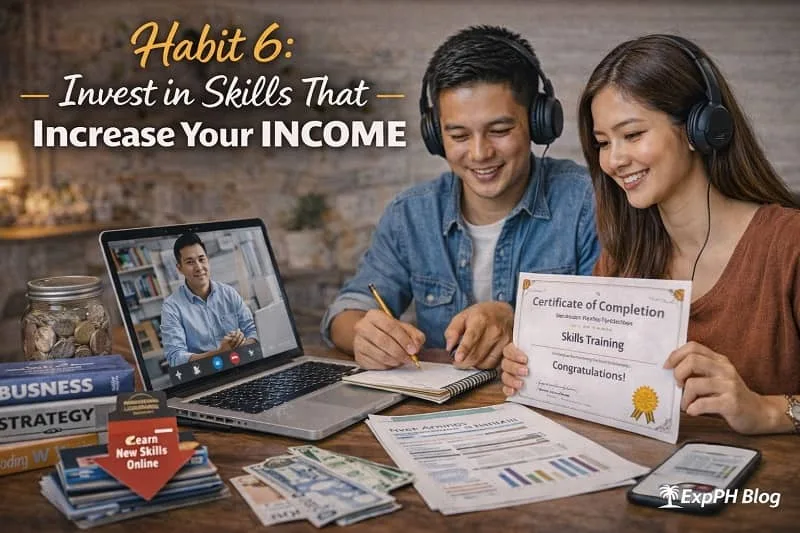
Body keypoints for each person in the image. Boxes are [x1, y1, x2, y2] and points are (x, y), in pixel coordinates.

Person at [501, 34, 800, 435]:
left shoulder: (789, 246)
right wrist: (539, 373)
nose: (615, 160)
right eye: (603, 143)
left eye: (633, 134)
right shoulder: (622, 258)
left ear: (700, 128)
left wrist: (764, 410)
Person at [321, 25, 600, 371]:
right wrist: (363, 333)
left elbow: (613, 336)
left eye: (499, 131)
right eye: (458, 135)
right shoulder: (411, 214)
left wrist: (518, 321)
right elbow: (347, 310)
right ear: (436, 136)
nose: (480, 153)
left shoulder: (588, 204)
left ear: (539, 122)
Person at [161, 232, 258, 366]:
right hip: (204, 376)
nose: (199, 267)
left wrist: (241, 344)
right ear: (179, 269)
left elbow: (253, 331)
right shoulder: (171, 307)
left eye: (202, 259)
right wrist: (220, 352)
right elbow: (175, 358)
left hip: (242, 364)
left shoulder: (229, 293)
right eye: (190, 262)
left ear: (208, 260)